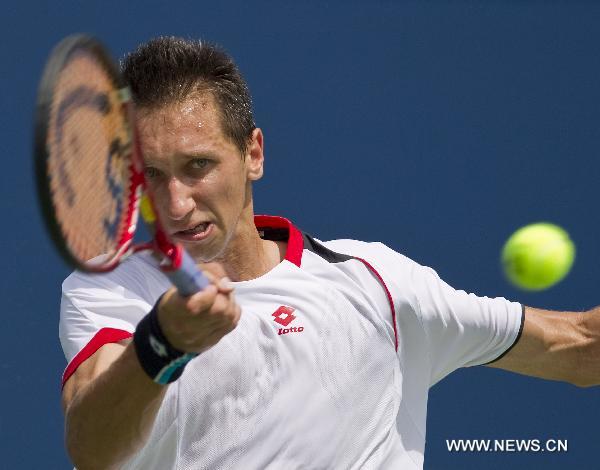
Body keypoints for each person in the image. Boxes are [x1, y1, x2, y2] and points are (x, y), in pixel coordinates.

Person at [59, 37, 599, 470]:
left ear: (253, 154)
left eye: (197, 166)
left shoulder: (375, 281)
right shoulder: (112, 291)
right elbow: (93, 449)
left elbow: (578, 348)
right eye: (152, 175)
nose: (176, 203)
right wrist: (162, 345)